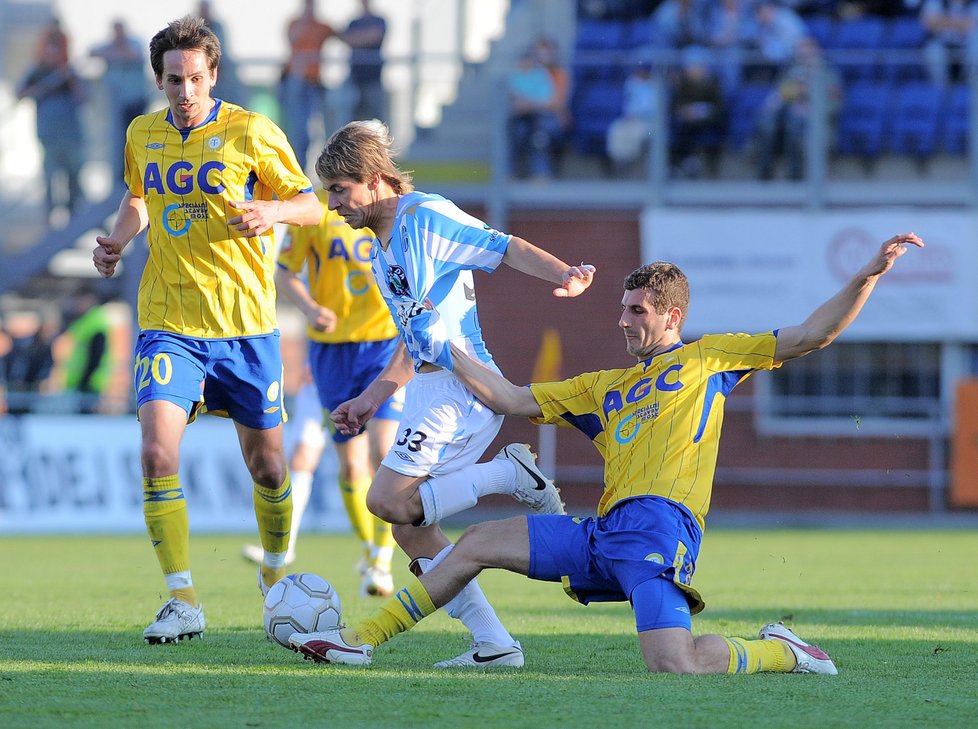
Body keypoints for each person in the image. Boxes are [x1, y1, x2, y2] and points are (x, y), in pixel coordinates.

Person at [290, 232, 925, 672]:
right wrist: (448, 344)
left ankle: (782, 652)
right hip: (601, 533)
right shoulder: (604, 387)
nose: (623, 321)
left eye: (636, 311)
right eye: (622, 309)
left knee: (673, 666)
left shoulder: (711, 360)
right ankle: (360, 641)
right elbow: (511, 399)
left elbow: (812, 334)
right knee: (477, 544)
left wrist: (867, 275)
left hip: (661, 530)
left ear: (670, 315)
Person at [313, 119, 595, 667]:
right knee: (411, 534)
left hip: (463, 390)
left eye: (339, 191)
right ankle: (494, 644)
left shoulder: (427, 216)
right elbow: (411, 338)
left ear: (374, 180)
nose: (332, 205)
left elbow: (503, 246)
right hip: (428, 385)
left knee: (385, 501)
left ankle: (511, 476)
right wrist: (373, 397)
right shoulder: (377, 249)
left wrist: (567, 273)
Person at [91, 15, 323, 645]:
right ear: (159, 81)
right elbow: (139, 198)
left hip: (247, 328)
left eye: (195, 78)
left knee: (270, 468)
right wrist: (117, 238)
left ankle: (276, 575)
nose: (186, 91)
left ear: (213, 75)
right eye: (174, 80)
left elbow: (312, 203)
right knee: (156, 452)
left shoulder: (252, 131)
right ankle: (182, 598)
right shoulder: (142, 133)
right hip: (169, 323)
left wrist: (273, 208)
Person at [242, 195, 403, 597]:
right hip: (332, 351)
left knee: (384, 452)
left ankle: (383, 560)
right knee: (350, 466)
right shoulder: (318, 216)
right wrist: (311, 309)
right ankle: (370, 549)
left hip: (382, 345)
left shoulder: (392, 212)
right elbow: (285, 274)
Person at [17, 31, 86, 220]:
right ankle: (48, 221)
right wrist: (48, 85)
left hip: (71, 135)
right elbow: (21, 94)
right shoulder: (36, 71)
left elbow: (82, 98)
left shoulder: (70, 72)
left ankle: (74, 219)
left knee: (73, 178)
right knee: (50, 179)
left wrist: (67, 78)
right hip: (48, 135)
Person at [755, 35, 841, 180]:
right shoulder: (791, 72)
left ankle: (794, 174)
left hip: (815, 120)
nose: (803, 56)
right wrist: (797, 92)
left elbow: (835, 103)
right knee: (768, 123)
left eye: (807, 52)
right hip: (785, 118)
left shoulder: (828, 74)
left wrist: (811, 105)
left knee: (795, 122)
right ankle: (764, 172)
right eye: (801, 52)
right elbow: (781, 95)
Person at [90, 19, 148, 186]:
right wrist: (112, 52)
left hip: (135, 102)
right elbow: (92, 52)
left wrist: (113, 53)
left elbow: (134, 55)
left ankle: (137, 174)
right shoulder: (109, 46)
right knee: (118, 142)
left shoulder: (134, 43)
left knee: (137, 139)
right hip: (117, 105)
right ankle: (121, 177)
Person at [281, 0, 335, 170]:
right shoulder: (294, 23)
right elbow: (293, 39)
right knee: (298, 131)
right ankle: (298, 170)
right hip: (294, 83)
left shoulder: (323, 26)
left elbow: (342, 36)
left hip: (314, 84)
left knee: (314, 131)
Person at [668, 46, 724, 179]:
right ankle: (679, 162)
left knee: (696, 125)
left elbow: (719, 108)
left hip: (708, 120)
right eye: (691, 66)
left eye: (697, 66)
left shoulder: (713, 83)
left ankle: (693, 159)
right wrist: (685, 111)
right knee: (679, 125)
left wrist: (702, 112)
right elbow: (676, 105)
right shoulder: (681, 83)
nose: (694, 70)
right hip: (686, 120)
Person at [59, 285, 115, 415]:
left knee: (85, 419)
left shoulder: (95, 322)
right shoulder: (85, 321)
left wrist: (84, 380)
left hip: (89, 383)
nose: (76, 304)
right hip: (81, 383)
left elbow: (95, 355)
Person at [605, 60, 659, 173]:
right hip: (631, 119)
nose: (640, 73)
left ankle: (629, 162)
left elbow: (653, 109)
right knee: (616, 129)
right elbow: (628, 104)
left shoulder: (656, 84)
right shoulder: (631, 82)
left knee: (638, 133)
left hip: (649, 121)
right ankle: (618, 162)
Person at [339, 0, 388, 122]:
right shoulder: (353, 23)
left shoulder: (379, 20)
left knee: (377, 122)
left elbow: (375, 37)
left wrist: (357, 38)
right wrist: (365, 37)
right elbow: (347, 39)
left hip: (373, 79)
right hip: (356, 80)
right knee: (353, 123)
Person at [920, 0, 978, 86]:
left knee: (975, 45)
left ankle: (970, 85)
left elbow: (973, 25)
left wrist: (942, 21)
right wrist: (961, 23)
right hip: (941, 45)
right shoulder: (935, 3)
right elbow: (929, 23)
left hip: (965, 47)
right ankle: (940, 89)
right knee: (933, 50)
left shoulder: (975, 5)